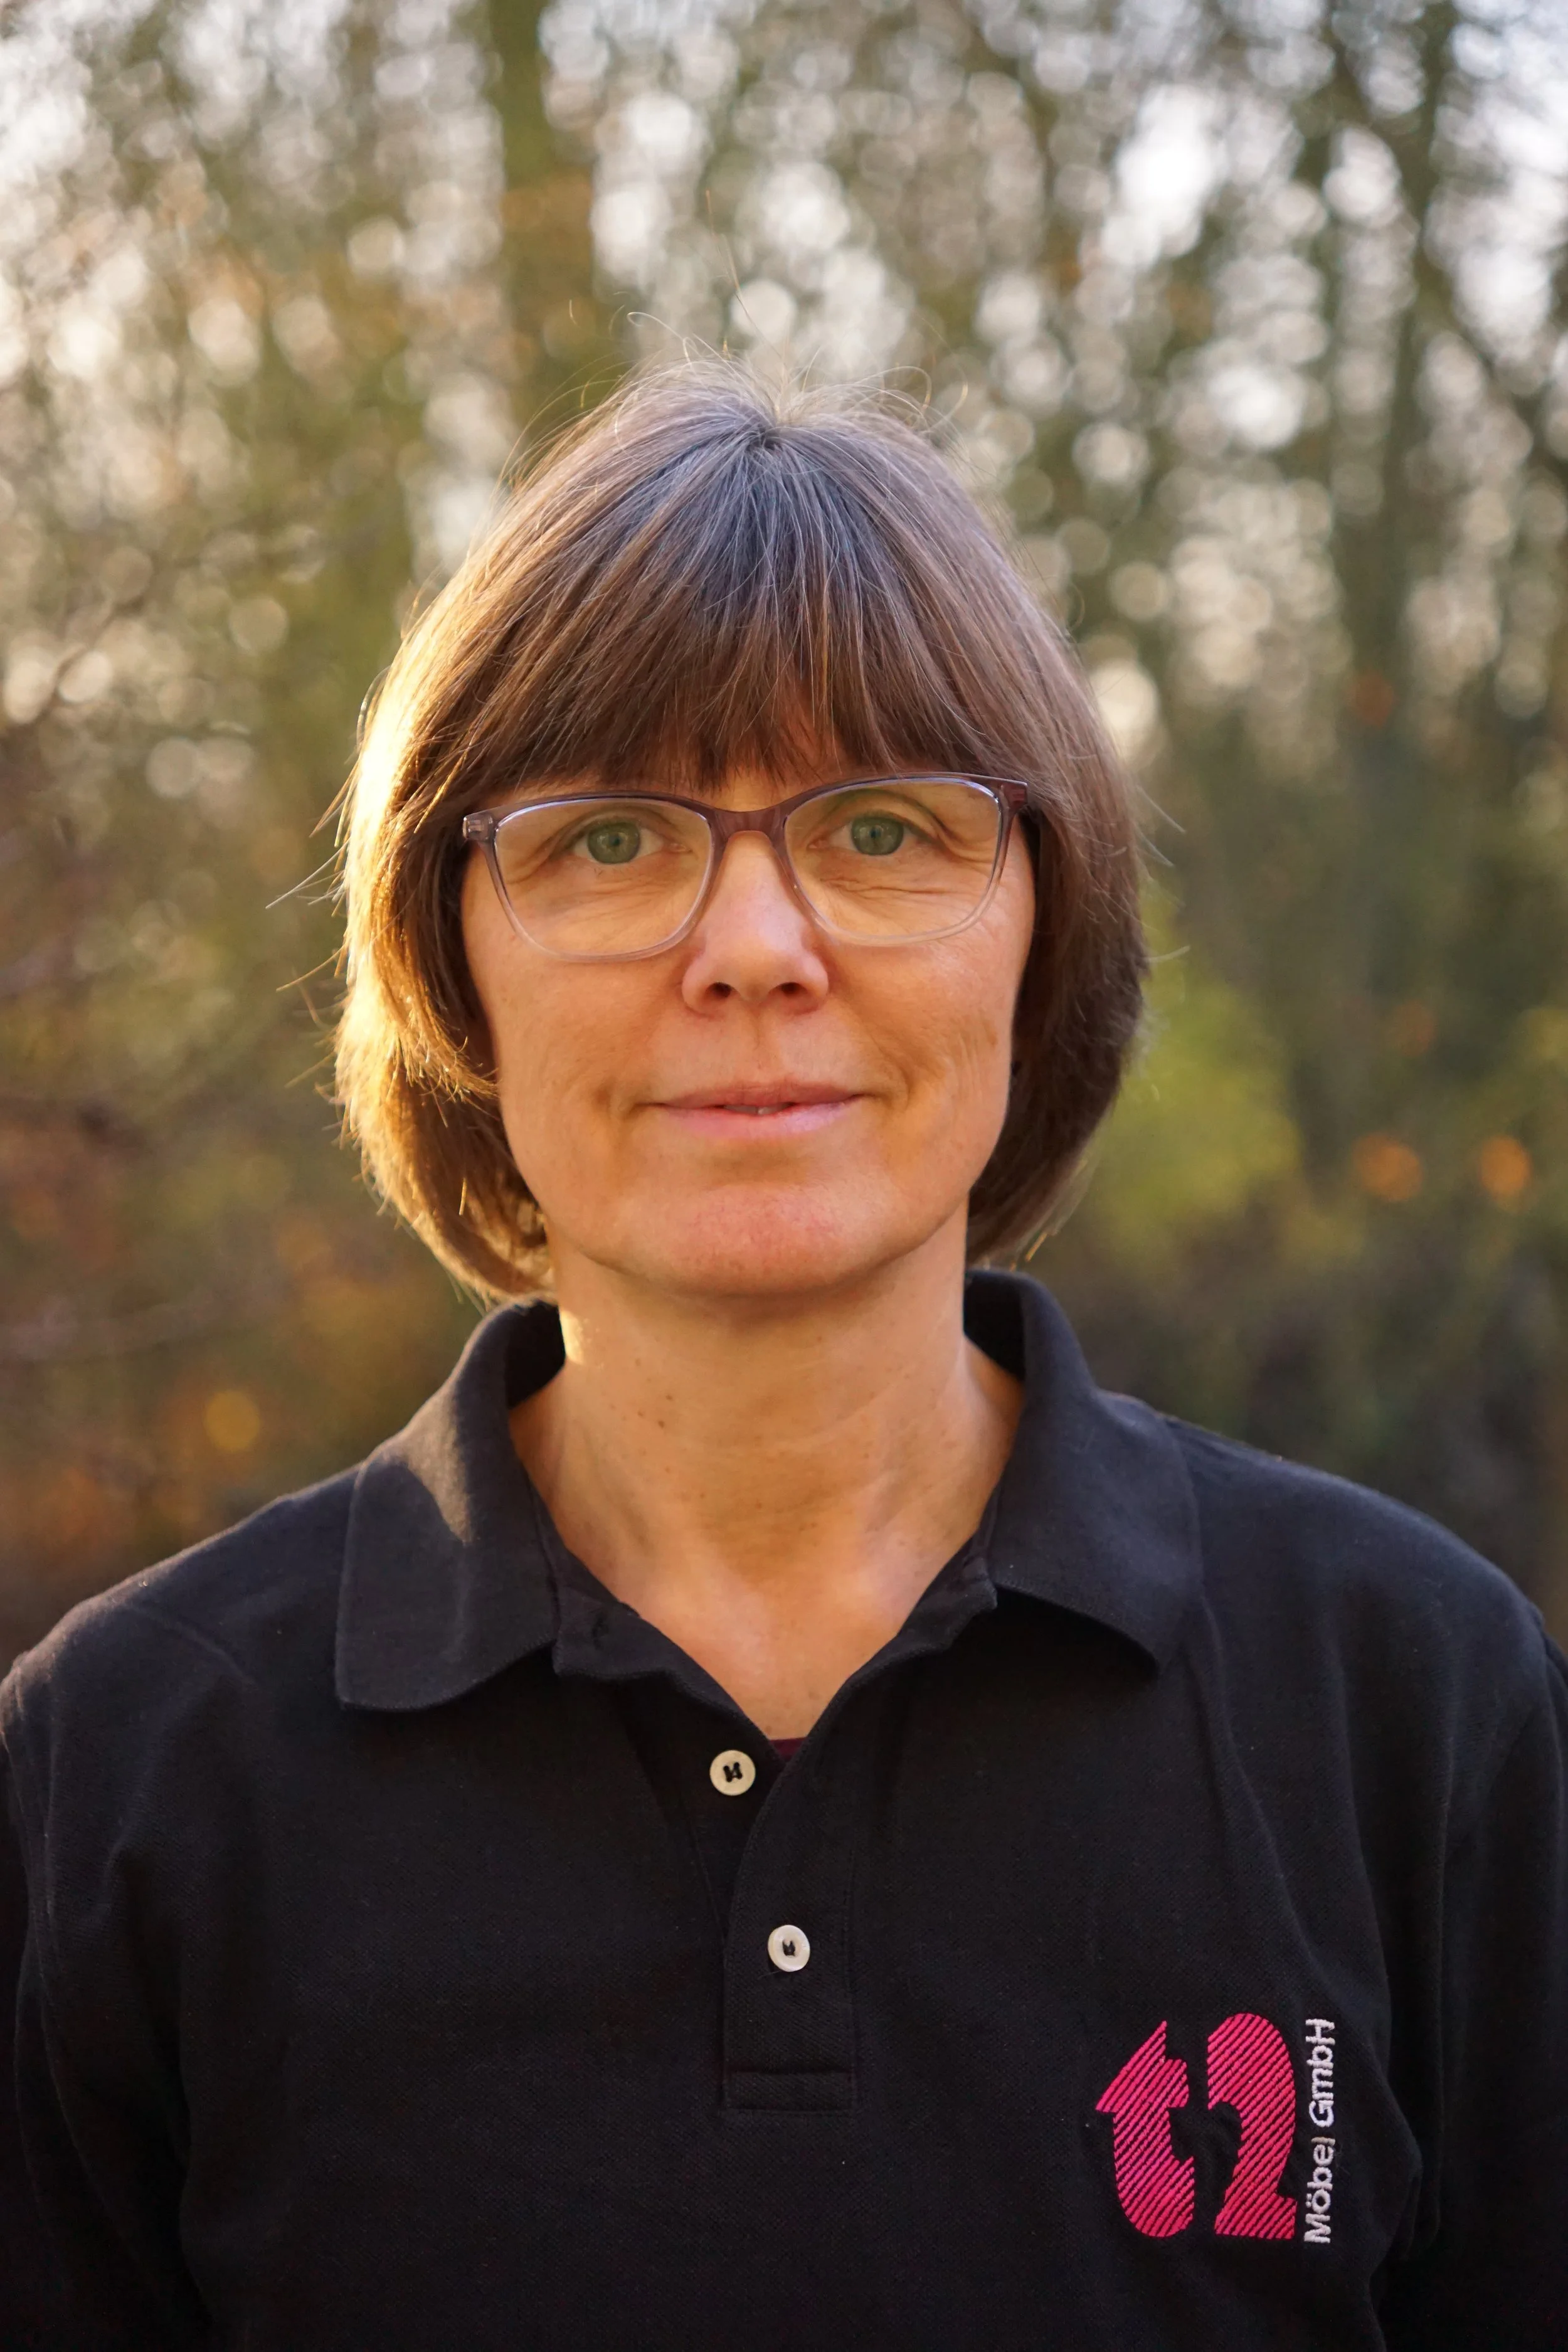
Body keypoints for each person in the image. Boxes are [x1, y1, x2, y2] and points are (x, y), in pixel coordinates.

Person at [1, 364, 1564, 2352]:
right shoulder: (120, 1776)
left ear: (1042, 926)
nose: (752, 944)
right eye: (608, 839)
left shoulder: (1415, 1703)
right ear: (448, 963)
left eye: (883, 825)